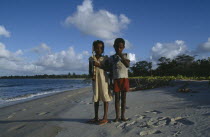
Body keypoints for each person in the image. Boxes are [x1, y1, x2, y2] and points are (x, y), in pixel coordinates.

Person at [88, 40, 112, 125]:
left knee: (105, 97)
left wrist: (98, 65)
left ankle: (105, 117)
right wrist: (92, 75)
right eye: (97, 48)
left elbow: (108, 69)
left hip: (104, 79)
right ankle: (96, 117)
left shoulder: (105, 58)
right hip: (95, 80)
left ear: (103, 49)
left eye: (101, 48)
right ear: (93, 48)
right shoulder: (91, 59)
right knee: (96, 97)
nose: (99, 49)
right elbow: (89, 71)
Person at [109, 38, 130, 122]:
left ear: (123, 47)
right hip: (116, 80)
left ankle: (123, 116)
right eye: (117, 47)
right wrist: (110, 82)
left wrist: (121, 55)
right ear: (114, 47)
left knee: (124, 98)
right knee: (117, 99)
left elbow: (127, 65)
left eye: (120, 47)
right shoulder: (112, 58)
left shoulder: (126, 55)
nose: (118, 49)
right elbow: (110, 71)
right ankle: (117, 116)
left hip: (124, 78)